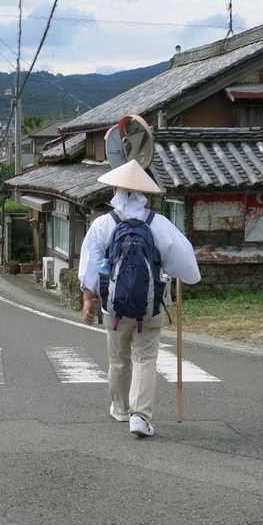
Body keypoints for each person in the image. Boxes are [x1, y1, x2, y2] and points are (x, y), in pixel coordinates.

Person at [78, 157, 200, 438]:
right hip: (150, 307)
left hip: (114, 308)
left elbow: (90, 269)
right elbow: (186, 266)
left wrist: (87, 300)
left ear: (116, 191)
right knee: (145, 358)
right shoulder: (159, 224)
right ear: (144, 194)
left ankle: (121, 409)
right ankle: (140, 416)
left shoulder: (103, 225)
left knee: (118, 359)